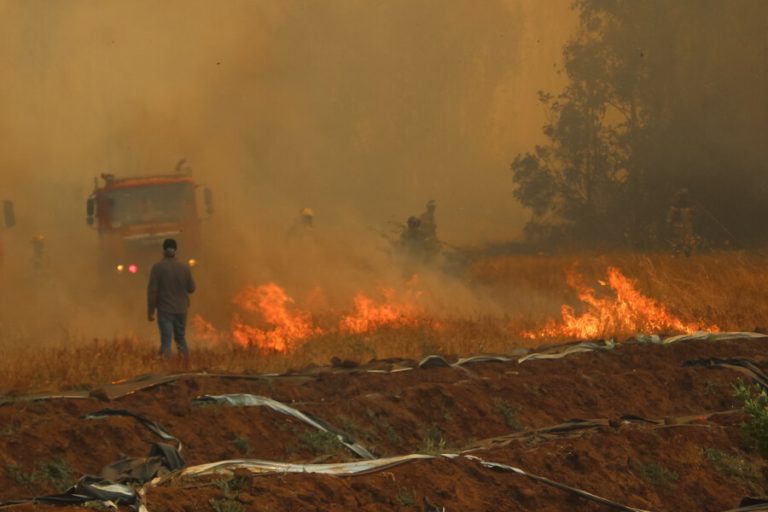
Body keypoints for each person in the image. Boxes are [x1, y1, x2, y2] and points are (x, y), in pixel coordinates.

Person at [147, 238, 195, 360]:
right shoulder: (184, 268)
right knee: (180, 337)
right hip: (181, 309)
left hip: (165, 310)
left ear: (163, 251)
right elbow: (192, 288)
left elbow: (152, 291)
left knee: (166, 339)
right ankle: (185, 364)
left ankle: (165, 366)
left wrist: (151, 311)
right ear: (176, 250)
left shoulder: (157, 268)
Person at [667, 188, 695, 257]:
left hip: (685, 225)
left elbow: (670, 217)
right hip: (680, 225)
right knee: (679, 240)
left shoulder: (686, 205)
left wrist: (669, 222)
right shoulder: (676, 206)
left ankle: (686, 254)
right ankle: (677, 254)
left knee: (686, 240)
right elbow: (671, 216)